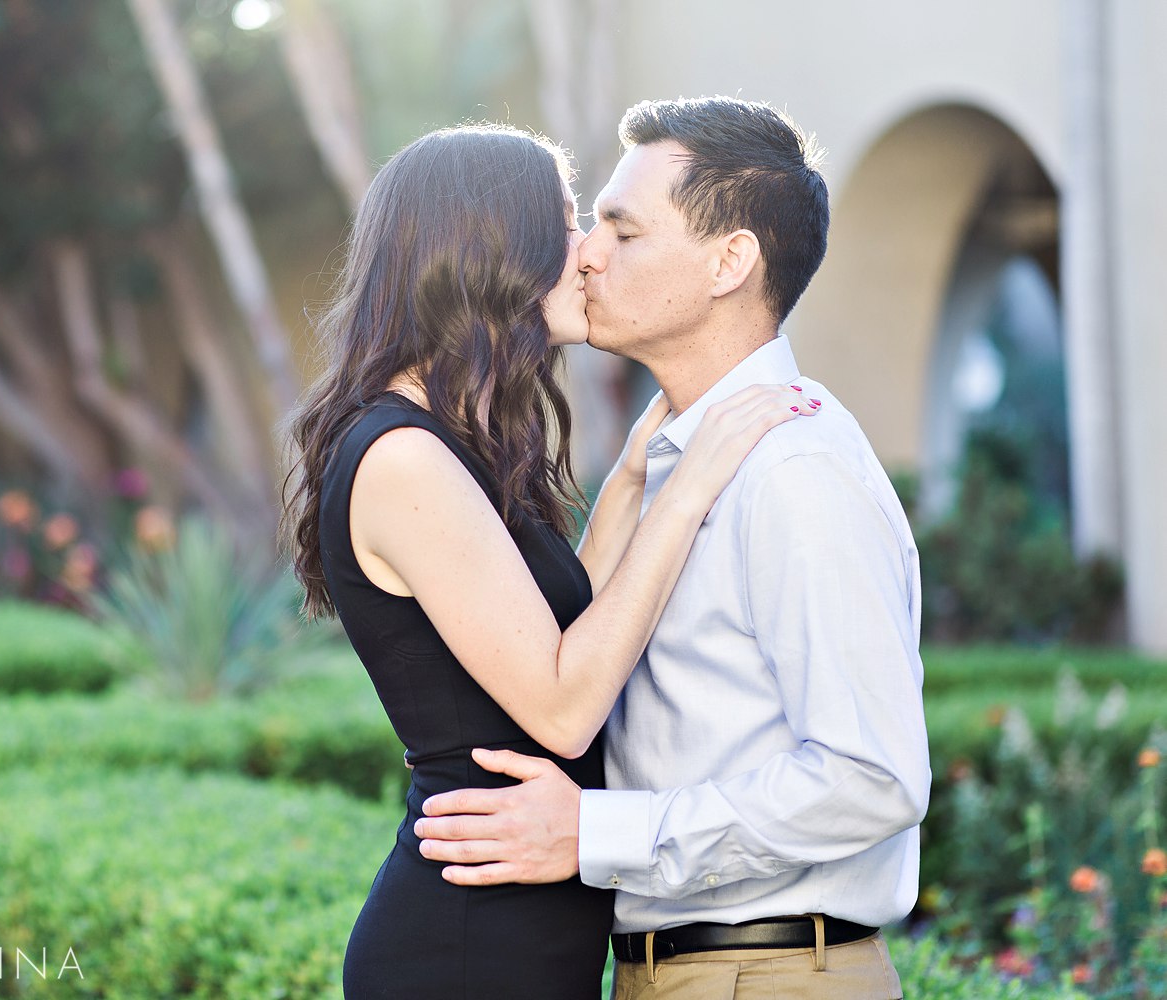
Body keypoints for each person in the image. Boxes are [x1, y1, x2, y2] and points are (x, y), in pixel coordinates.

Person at [282, 122, 817, 999]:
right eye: (568, 225)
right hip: (466, 949)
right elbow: (565, 709)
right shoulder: (403, 457)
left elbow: (571, 624)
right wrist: (684, 499)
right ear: (492, 246)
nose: (591, 253)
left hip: (519, 934)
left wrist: (643, 468)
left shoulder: (452, 441)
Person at [415, 98, 931, 1000]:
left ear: (732, 260)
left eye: (623, 229)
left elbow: (872, 776)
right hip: (674, 972)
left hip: (768, 976)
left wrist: (597, 834)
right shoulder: (672, 456)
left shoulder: (793, 469)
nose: (586, 252)